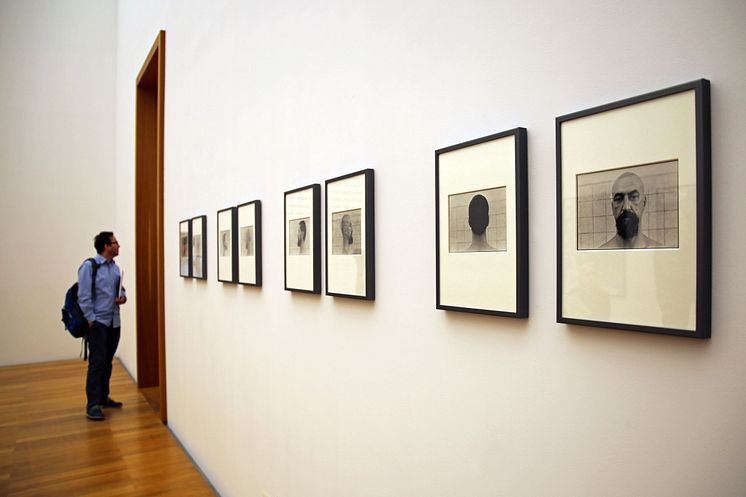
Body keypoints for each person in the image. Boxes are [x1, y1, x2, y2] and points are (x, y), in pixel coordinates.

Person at [78, 231, 127, 421]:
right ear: (106, 246)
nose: (118, 246)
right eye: (115, 243)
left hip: (114, 322)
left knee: (107, 362)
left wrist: (122, 296)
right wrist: (91, 320)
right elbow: (83, 296)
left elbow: (120, 289)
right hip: (98, 323)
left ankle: (103, 397)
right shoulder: (89, 267)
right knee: (97, 364)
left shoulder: (115, 268)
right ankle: (93, 405)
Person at [600, 172, 662, 249]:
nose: (626, 207)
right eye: (619, 199)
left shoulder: (660, 251)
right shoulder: (600, 253)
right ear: (612, 207)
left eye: (633, 197)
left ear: (644, 203)